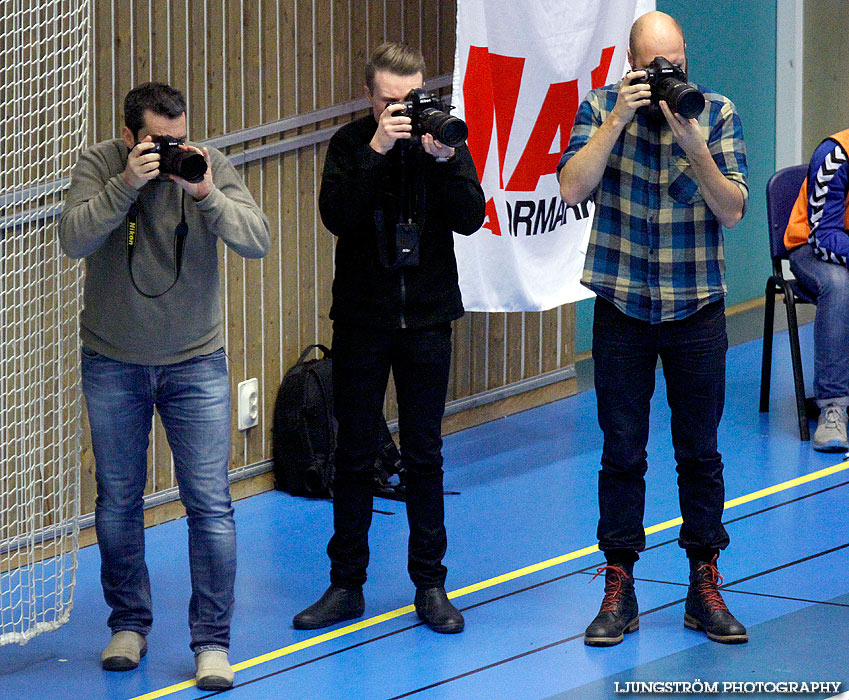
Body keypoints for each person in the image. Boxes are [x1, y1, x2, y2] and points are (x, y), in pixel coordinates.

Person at [58, 82, 270, 689]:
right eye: (159, 142)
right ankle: (128, 623)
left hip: (196, 364)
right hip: (113, 362)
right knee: (117, 502)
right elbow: (73, 238)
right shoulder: (100, 166)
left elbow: (256, 240)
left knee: (210, 505)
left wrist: (203, 191)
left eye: (179, 138)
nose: (173, 150)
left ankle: (212, 643)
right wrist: (126, 183)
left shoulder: (206, 165)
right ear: (129, 136)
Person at [558, 12, 749, 646]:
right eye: (655, 69)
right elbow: (570, 188)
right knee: (621, 453)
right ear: (632, 66)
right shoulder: (599, 108)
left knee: (700, 452)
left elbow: (732, 210)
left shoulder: (716, 113)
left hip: (695, 307)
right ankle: (620, 585)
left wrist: (693, 143)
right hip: (622, 308)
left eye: (678, 67)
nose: (670, 80)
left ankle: (704, 582)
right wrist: (616, 119)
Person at [292, 42, 484, 634]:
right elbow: (337, 216)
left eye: (414, 98)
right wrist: (378, 150)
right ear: (370, 99)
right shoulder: (351, 145)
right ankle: (346, 584)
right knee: (354, 455)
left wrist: (446, 158)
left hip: (427, 320)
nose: (404, 110)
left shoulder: (443, 140)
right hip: (363, 321)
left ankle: (430, 585)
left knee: (426, 455)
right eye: (391, 101)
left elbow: (471, 215)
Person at [784, 129, 849, 451]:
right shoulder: (835, 154)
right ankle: (833, 408)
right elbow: (824, 236)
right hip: (812, 246)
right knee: (839, 286)